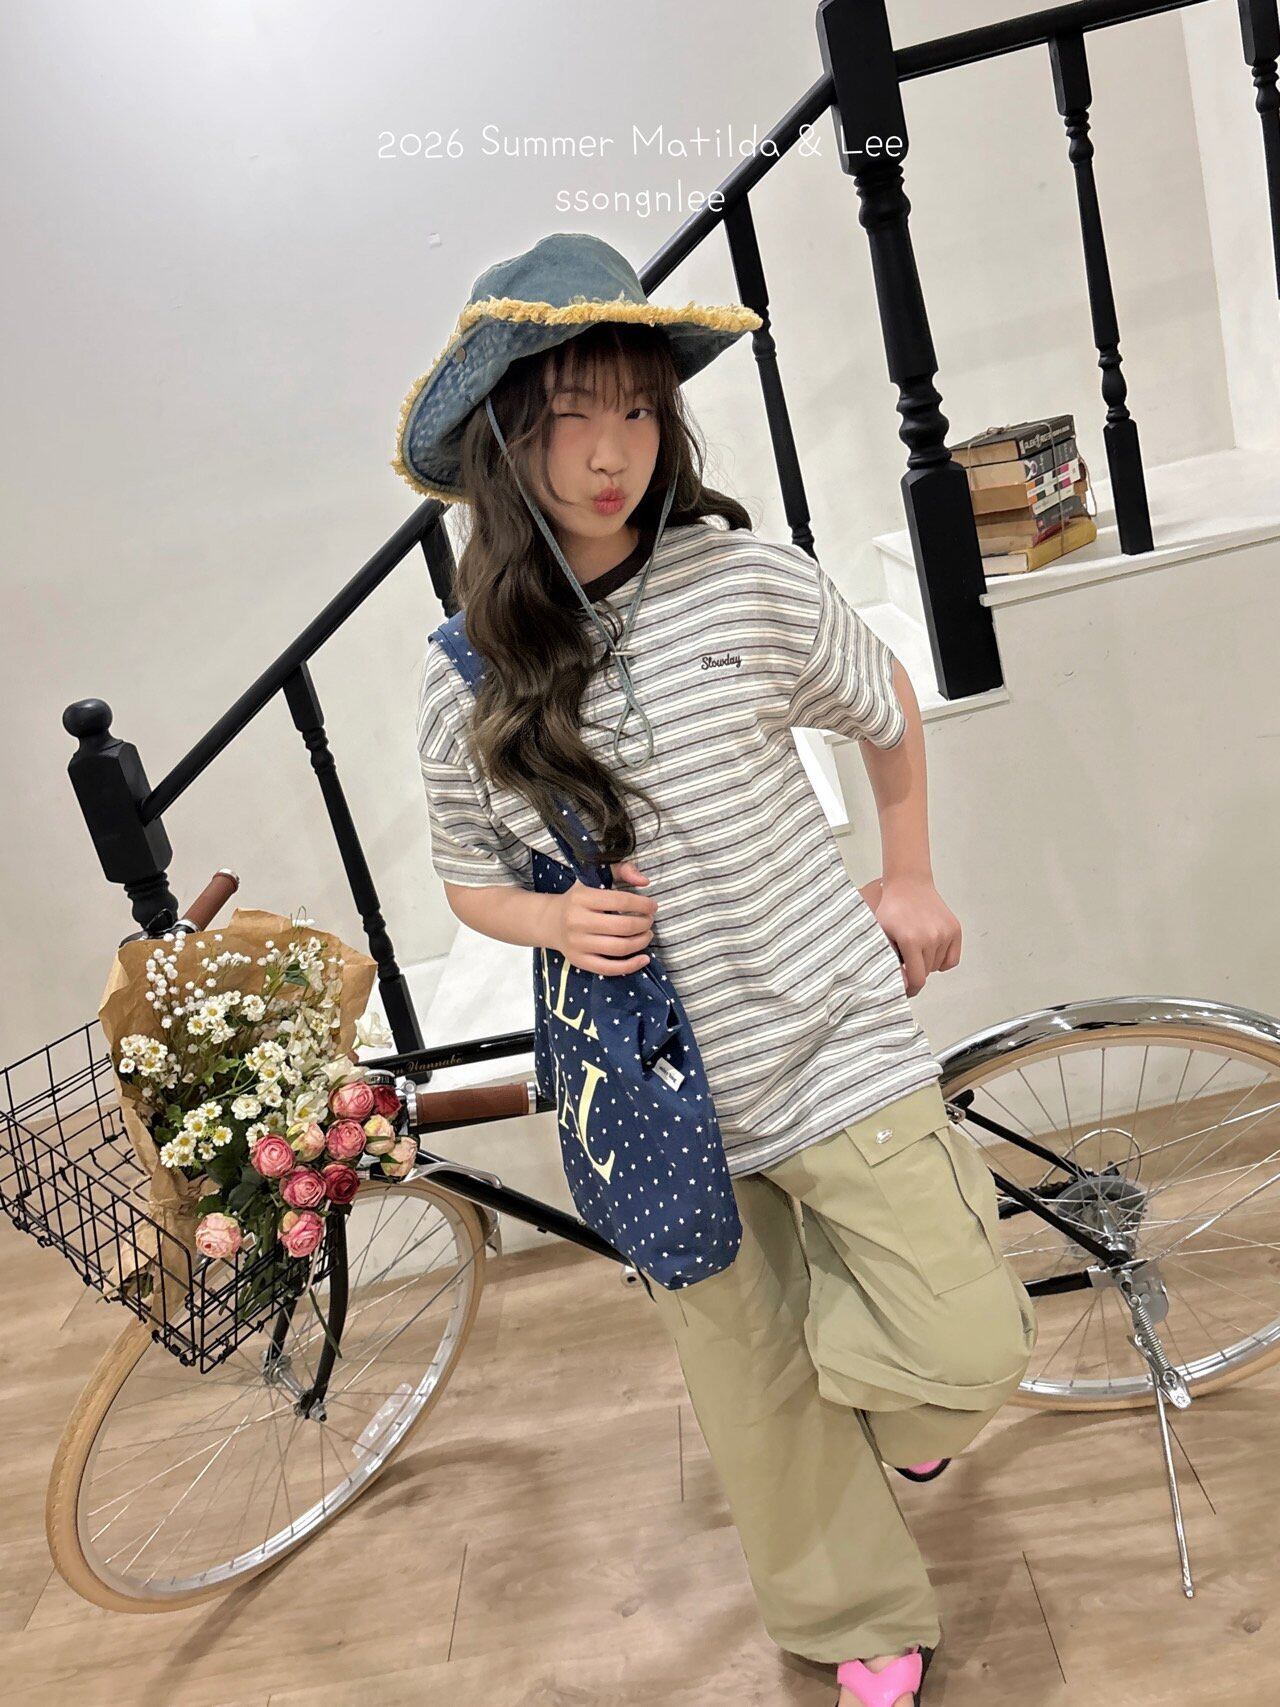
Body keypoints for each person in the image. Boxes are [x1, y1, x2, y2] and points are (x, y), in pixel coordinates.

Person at [393, 231, 1038, 1707]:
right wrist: (553, 925)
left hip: (831, 1031)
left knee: (967, 1337)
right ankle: (854, 1614)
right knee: (751, 1387)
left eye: (636, 409)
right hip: (657, 1087)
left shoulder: (745, 579)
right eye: (568, 417)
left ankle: (881, 1417)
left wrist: (909, 874)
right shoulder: (467, 672)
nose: (608, 452)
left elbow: (883, 707)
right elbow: (466, 879)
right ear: (502, 437)